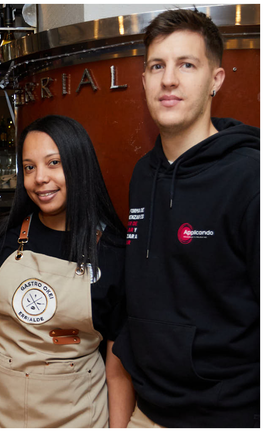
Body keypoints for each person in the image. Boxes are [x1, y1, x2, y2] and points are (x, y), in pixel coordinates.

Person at [112, 8, 260, 428]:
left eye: (186, 65)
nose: (169, 79)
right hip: (147, 411)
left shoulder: (251, 178)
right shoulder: (144, 174)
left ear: (216, 80)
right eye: (157, 66)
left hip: (226, 416)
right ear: (143, 80)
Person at [0, 115, 133, 427]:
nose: (39, 178)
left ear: (79, 165)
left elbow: (117, 372)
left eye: (53, 163)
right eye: (30, 167)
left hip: (76, 418)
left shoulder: (113, 253)